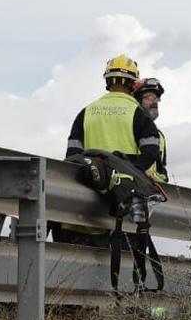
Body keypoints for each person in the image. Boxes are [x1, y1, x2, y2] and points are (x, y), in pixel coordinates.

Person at [65, 55, 165, 292]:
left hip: (89, 199)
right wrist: (131, 174)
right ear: (133, 84)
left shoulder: (86, 111)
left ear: (107, 81)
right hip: (123, 202)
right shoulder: (137, 113)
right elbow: (151, 151)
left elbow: (71, 156)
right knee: (124, 267)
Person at [135, 77, 168, 184]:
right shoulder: (128, 127)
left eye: (156, 98)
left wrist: (154, 177)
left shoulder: (160, 136)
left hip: (150, 192)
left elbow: (162, 174)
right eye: (149, 97)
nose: (155, 102)